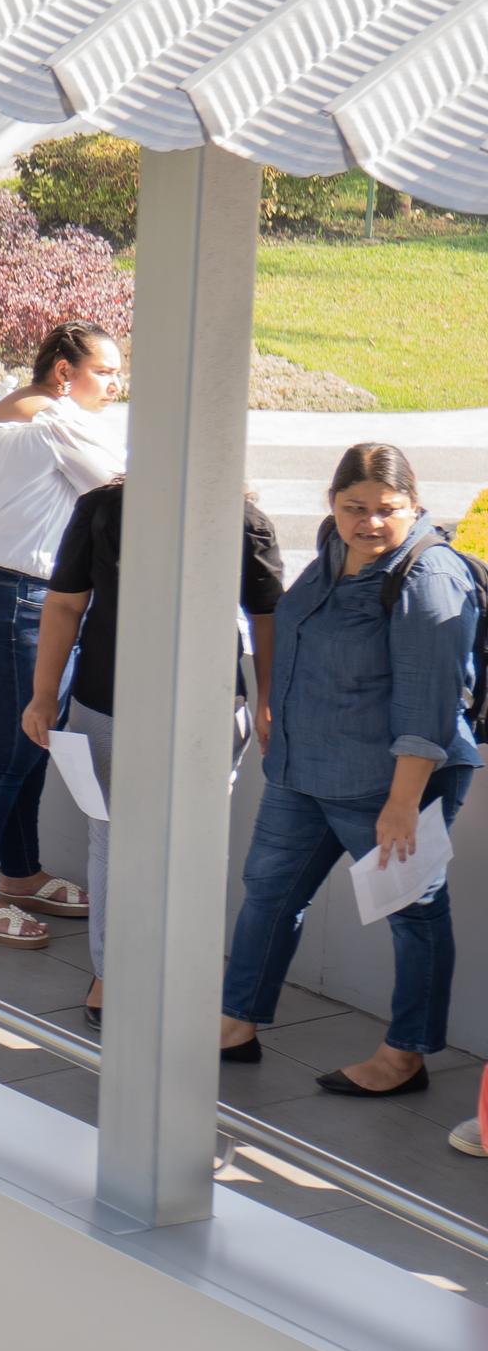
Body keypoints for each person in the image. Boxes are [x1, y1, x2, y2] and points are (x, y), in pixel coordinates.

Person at [217, 444, 480, 1098]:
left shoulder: (427, 579)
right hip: (304, 772)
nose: (369, 522)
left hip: (388, 787)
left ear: (414, 505)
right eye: (352, 507)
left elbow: (429, 706)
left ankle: (406, 1054)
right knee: (268, 894)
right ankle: (235, 1022)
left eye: (386, 510)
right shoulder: (334, 549)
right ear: (331, 505)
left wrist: (403, 804)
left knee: (414, 913)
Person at [24, 476, 285, 1029]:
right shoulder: (101, 511)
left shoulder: (243, 522)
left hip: (207, 710)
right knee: (113, 841)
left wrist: (268, 702)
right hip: (107, 702)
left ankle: (186, 972)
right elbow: (66, 605)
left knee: (193, 844)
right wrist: (44, 694)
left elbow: (268, 619)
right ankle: (111, 972)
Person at [0, 321, 124, 945]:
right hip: (11, 601)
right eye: (106, 372)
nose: (117, 386)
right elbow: (126, 493)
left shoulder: (1, 405)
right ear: (66, 372)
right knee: (1, 756)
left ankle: (20, 874)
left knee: (27, 746)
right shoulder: (58, 423)